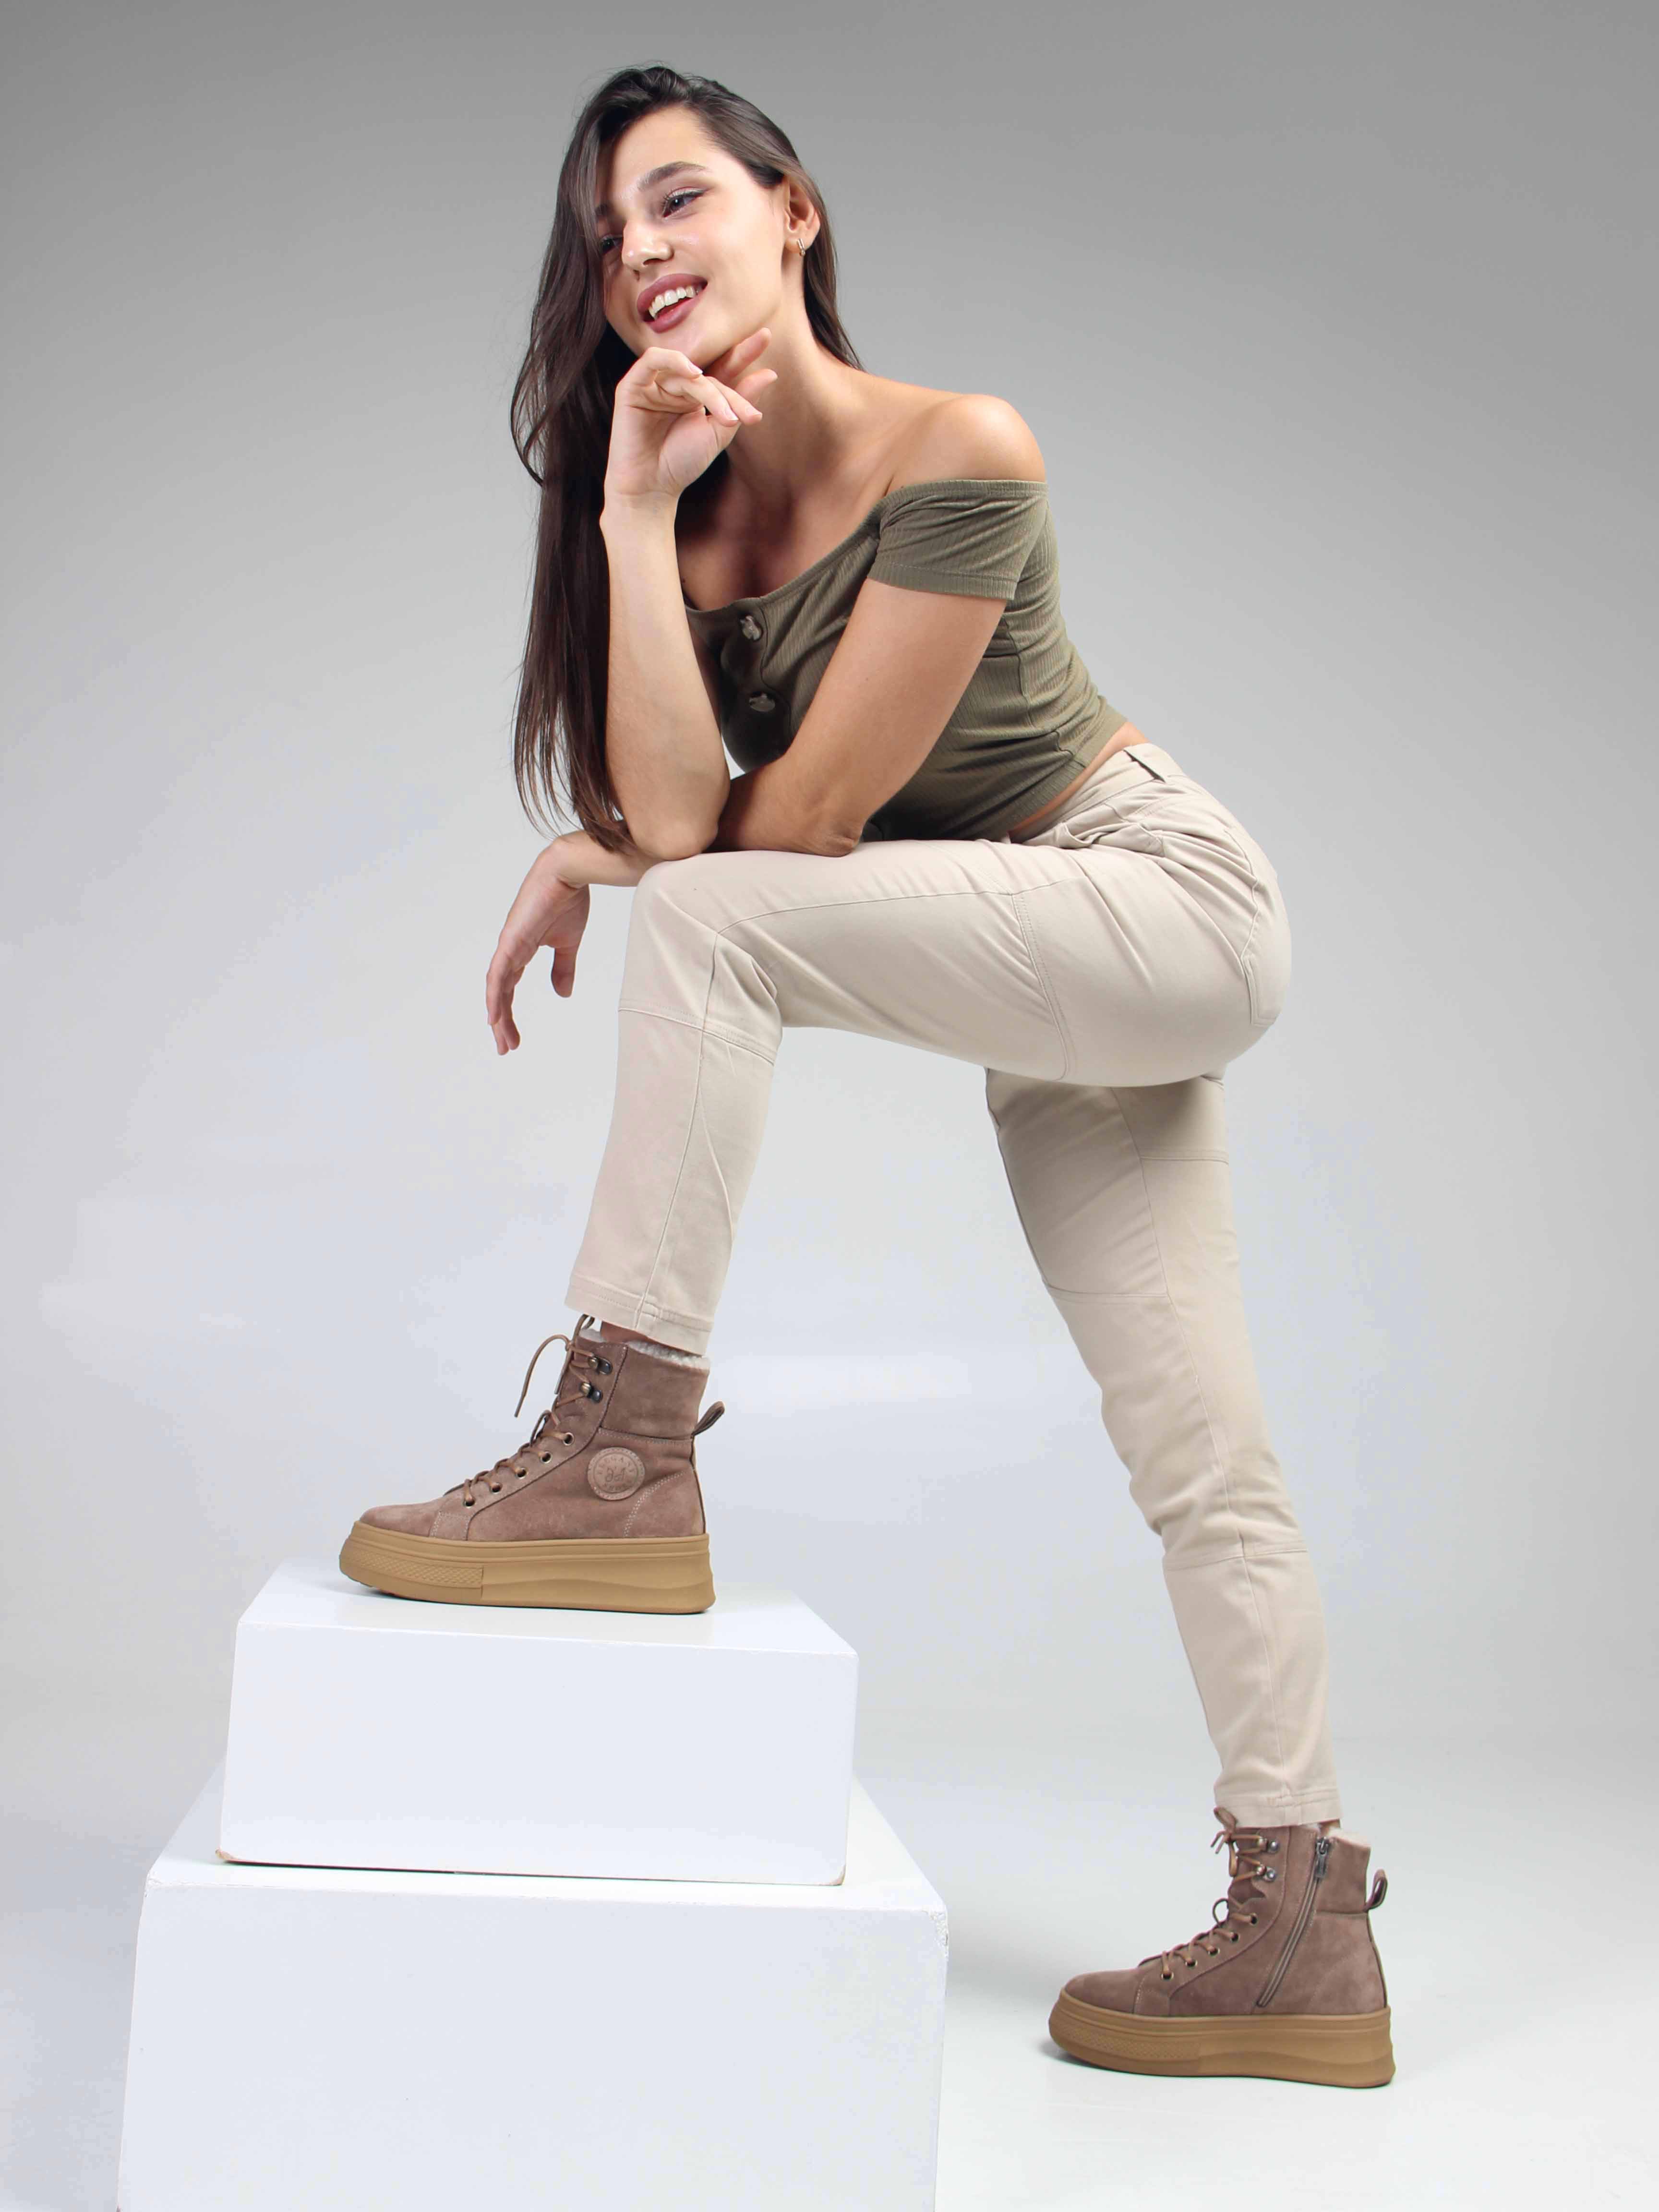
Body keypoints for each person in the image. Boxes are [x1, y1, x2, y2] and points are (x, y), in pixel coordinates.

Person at [337, 64, 1393, 2089]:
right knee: (1204, 1449)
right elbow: (681, 812)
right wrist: (633, 516)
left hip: (1159, 898)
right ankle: (1304, 1924)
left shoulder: (958, 448)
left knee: (713, 919)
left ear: (792, 210)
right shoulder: (675, 511)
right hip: (1032, 963)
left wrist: (610, 858)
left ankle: (619, 1452)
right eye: (605, 236)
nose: (639, 253)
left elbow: (793, 829)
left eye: (677, 199)